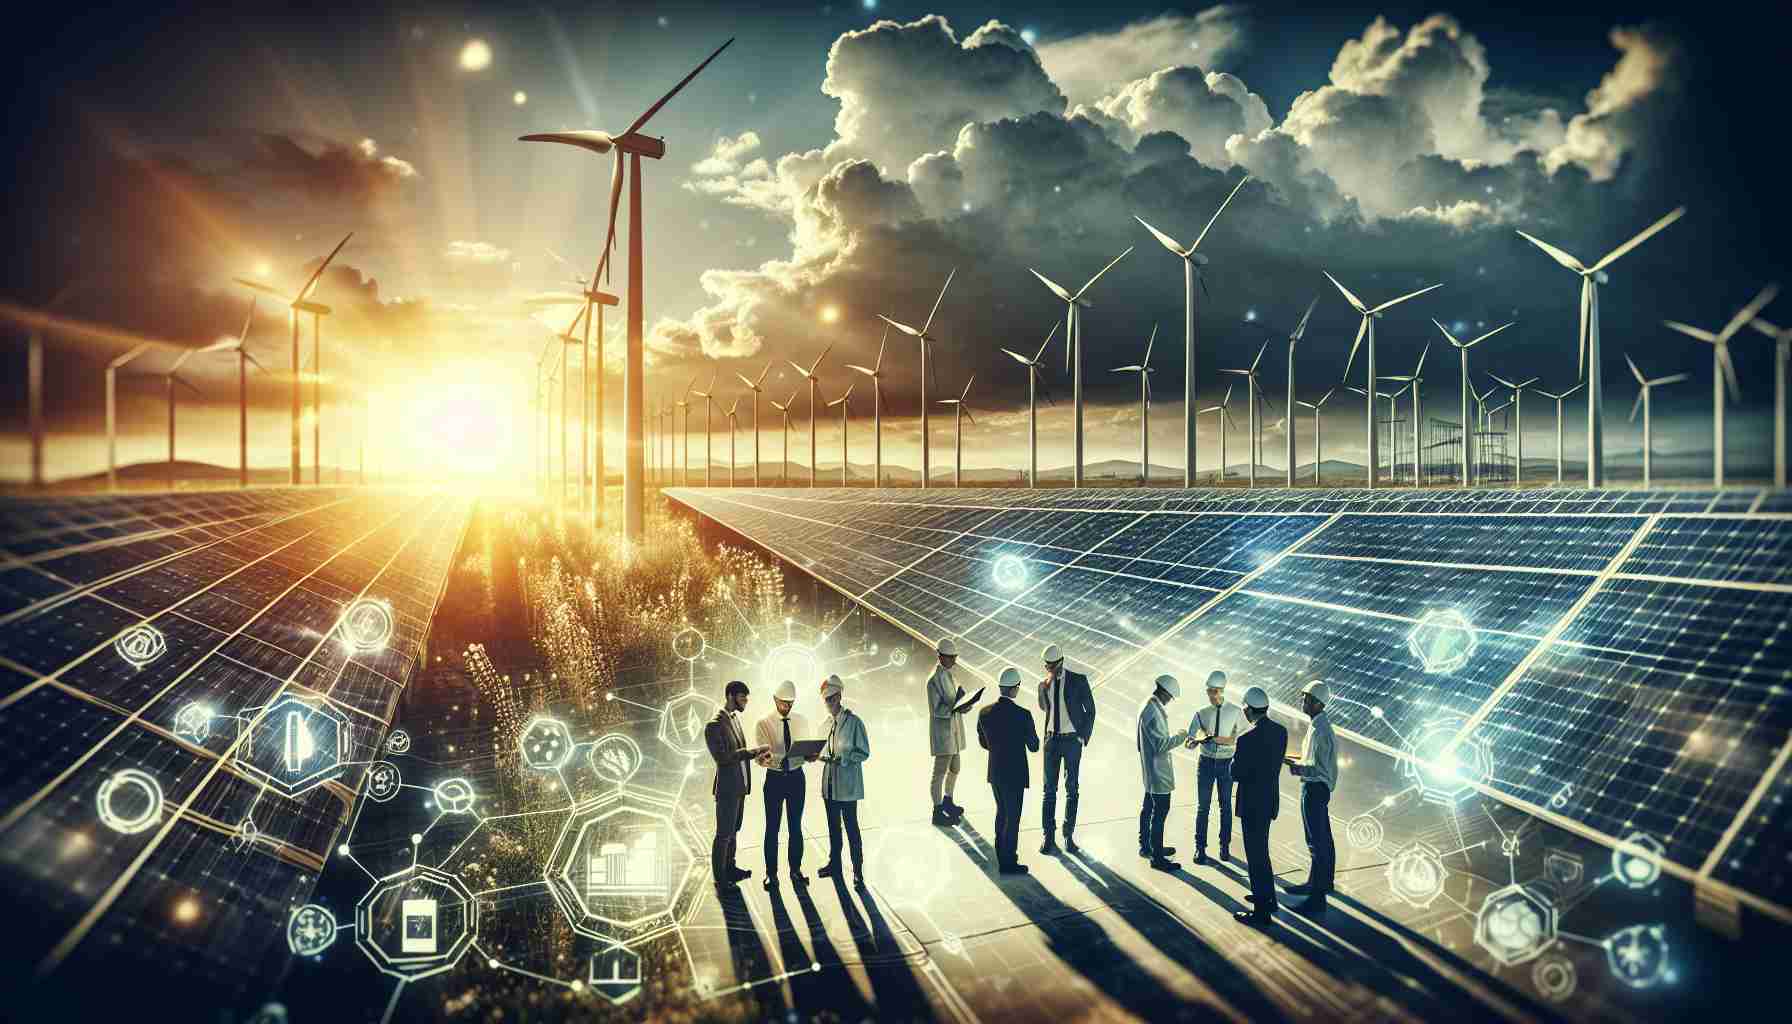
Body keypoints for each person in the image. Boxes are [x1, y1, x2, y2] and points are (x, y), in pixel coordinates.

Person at [754, 679, 819, 889]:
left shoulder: (801, 720)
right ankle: (771, 875)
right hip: (774, 779)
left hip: (796, 778)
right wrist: (779, 759)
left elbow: (805, 747)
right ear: (774, 699)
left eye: (790, 703)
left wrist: (810, 756)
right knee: (772, 828)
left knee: (795, 827)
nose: (787, 706)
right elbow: (763, 757)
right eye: (783, 702)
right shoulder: (763, 723)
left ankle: (795, 871)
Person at [1232, 685, 1288, 926]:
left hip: (1251, 804)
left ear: (1248, 709)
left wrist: (1234, 761)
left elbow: (1236, 772)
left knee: (1255, 856)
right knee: (1261, 851)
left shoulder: (1245, 739)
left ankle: (1261, 912)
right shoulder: (1281, 732)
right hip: (1268, 801)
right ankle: (1269, 898)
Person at [705, 680, 770, 886]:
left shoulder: (734, 719)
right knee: (724, 834)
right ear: (731, 696)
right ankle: (720, 880)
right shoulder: (714, 725)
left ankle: (730, 869)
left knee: (734, 831)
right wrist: (752, 752)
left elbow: (737, 752)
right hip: (727, 790)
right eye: (743, 698)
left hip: (740, 787)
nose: (746, 702)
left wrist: (757, 754)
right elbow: (722, 758)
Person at [978, 666, 1040, 874]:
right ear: (1015, 689)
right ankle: (1009, 862)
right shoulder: (1023, 715)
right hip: (1014, 775)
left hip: (995, 772)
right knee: (1012, 818)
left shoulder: (984, 713)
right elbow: (1034, 746)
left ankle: (1000, 855)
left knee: (1001, 813)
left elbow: (983, 742)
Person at [1285, 679, 1338, 916]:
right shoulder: (1319, 725)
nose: (1302, 701)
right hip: (1318, 788)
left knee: (1316, 841)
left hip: (1314, 788)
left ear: (1317, 703)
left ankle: (1316, 901)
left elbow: (1316, 767)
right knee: (1323, 838)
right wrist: (1296, 759)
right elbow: (1315, 759)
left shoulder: (1320, 729)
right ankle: (1320, 883)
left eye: (1306, 698)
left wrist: (1295, 767)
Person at [1037, 643, 1095, 855]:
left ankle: (1068, 836)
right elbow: (1044, 708)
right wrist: (1045, 688)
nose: (1051, 670)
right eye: (1048, 666)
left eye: (1054, 666)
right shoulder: (1043, 684)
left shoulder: (1078, 681)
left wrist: (1082, 737)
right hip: (1051, 742)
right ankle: (1048, 837)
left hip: (1072, 741)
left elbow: (1091, 710)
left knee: (1072, 789)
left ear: (1061, 661)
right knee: (1048, 791)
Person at [817, 673, 870, 885]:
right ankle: (834, 865)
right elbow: (822, 748)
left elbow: (864, 752)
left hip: (847, 786)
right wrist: (815, 755)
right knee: (833, 829)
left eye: (831, 699)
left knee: (851, 829)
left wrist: (844, 759)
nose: (829, 703)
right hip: (829, 786)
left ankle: (857, 871)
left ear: (839, 696)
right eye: (826, 700)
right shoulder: (826, 724)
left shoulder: (854, 722)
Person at [1184, 670, 1240, 866]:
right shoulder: (1201, 713)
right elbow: (1189, 741)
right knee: (1203, 807)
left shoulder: (1235, 712)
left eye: (1215, 691)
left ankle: (1224, 846)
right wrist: (1193, 742)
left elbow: (1240, 739)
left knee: (1226, 806)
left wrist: (1220, 740)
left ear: (1223, 690)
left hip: (1226, 763)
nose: (1211, 695)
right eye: (1209, 691)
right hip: (1206, 762)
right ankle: (1200, 848)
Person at [1136, 674, 1189, 871]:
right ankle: (1157, 858)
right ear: (1165, 692)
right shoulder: (1153, 711)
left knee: (1148, 808)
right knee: (1160, 813)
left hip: (1150, 769)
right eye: (1170, 697)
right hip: (1158, 771)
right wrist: (1181, 736)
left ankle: (1147, 846)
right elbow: (1160, 745)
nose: (1170, 701)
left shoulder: (1146, 704)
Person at [927, 636, 971, 826]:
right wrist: (956, 707)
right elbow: (936, 710)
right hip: (943, 733)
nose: (954, 660)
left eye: (955, 657)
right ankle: (937, 811)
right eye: (951, 657)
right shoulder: (933, 680)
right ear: (940, 656)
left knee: (955, 768)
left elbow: (953, 702)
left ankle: (947, 801)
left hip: (953, 732)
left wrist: (964, 704)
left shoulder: (949, 675)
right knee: (939, 773)